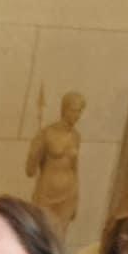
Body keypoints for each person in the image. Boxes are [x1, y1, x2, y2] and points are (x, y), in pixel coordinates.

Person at [27, 91, 86, 240]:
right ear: (64, 109)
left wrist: (77, 197)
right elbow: (30, 170)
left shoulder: (76, 136)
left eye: (80, 111)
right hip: (47, 191)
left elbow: (74, 168)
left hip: (68, 192)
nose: (77, 115)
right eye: (74, 110)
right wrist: (35, 150)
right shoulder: (47, 133)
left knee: (59, 238)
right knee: (41, 234)